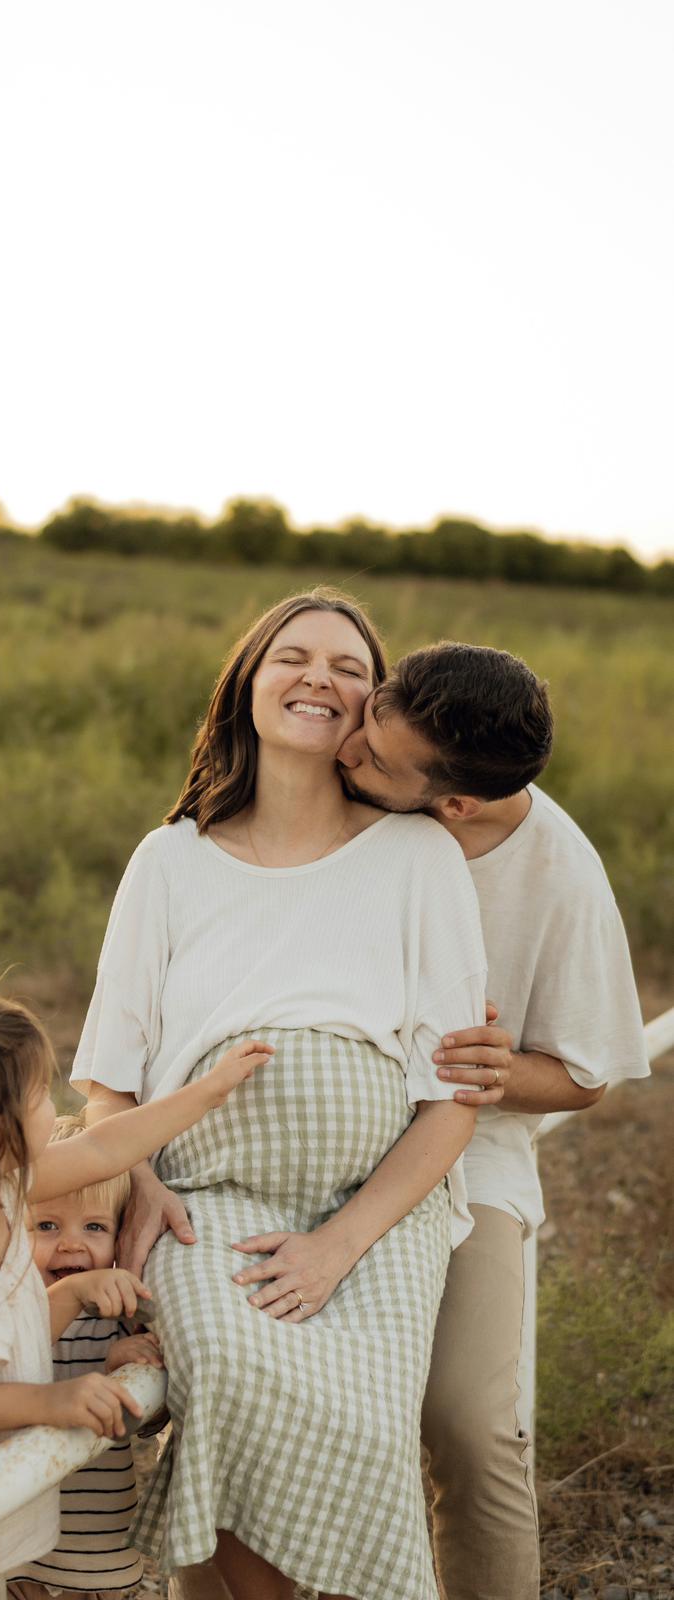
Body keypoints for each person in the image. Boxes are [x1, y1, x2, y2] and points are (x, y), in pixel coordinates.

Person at [72, 589, 486, 1600]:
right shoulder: (169, 860)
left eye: (349, 667)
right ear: (246, 687)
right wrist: (137, 1182)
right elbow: (107, 1076)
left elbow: (453, 1098)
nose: (319, 677)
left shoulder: (418, 857)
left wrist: (340, 1241)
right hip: (204, 1198)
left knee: (367, 1418)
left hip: (377, 1210)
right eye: (291, 656)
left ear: (373, 713)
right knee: (225, 1367)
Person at [335, 640, 650, 1600]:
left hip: (473, 1159)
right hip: (303, 1142)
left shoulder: (563, 878)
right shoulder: (336, 786)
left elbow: (588, 1072)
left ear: (454, 805)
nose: (349, 753)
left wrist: (501, 1071)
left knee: (472, 1425)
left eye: (377, 761)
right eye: (367, 723)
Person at [0, 986, 271, 1600]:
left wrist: (209, 1092)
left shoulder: (0, 1189)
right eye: (39, 1094)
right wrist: (47, 1402)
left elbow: (103, 1147)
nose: (52, 1105)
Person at [9, 1114, 161, 1600]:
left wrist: (124, 1370)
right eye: (47, 1225)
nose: (71, 1243)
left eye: (94, 1227)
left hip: (91, 1536)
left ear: (119, 1239)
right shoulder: (8, 1313)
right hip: (11, 1527)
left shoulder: (116, 1320)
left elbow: (141, 1426)